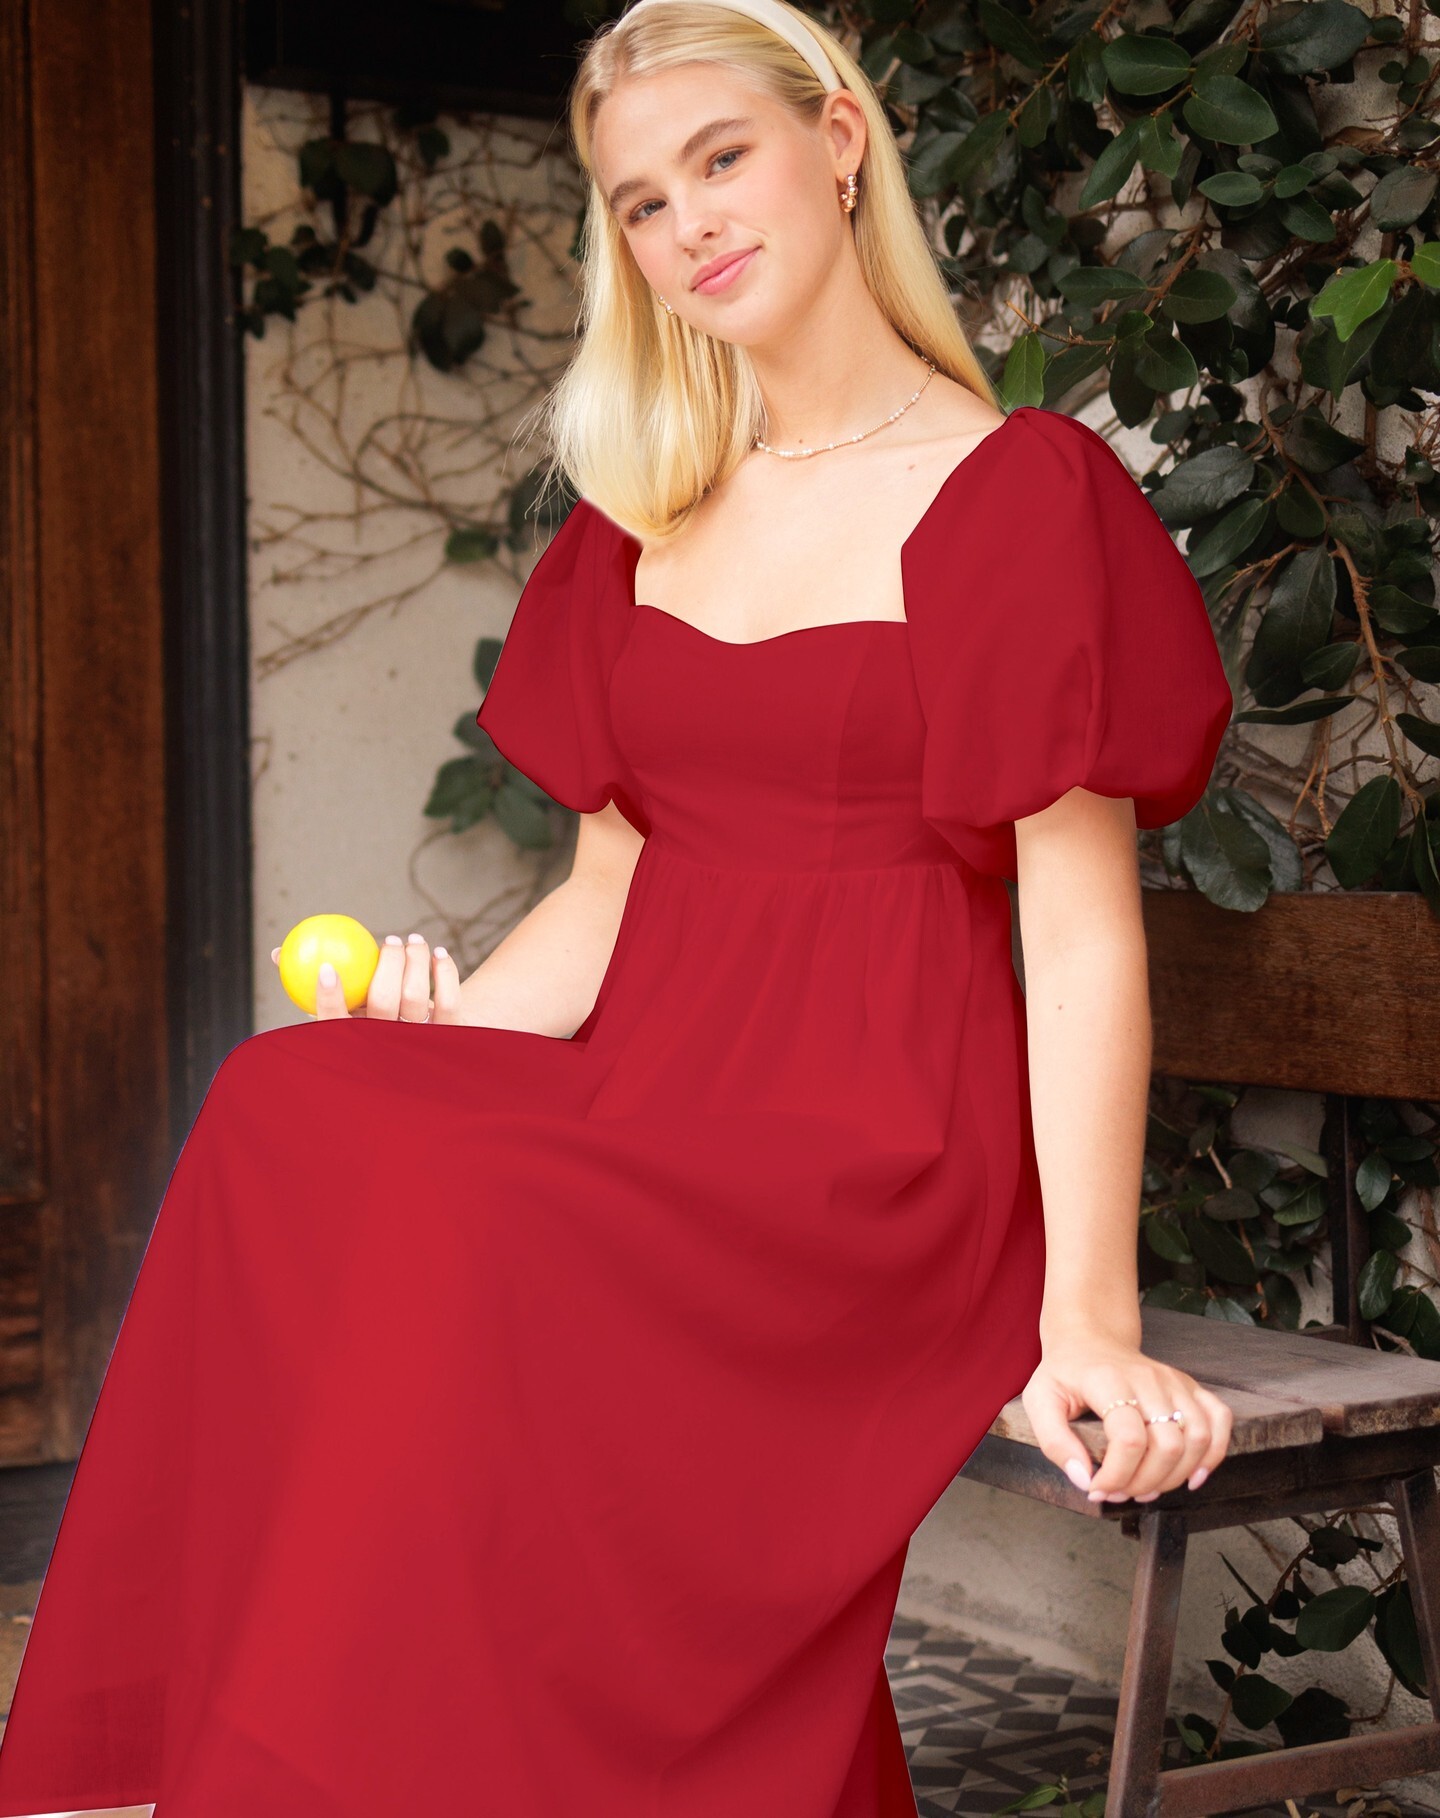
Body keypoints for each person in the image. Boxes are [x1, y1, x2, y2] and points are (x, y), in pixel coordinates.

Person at [0, 1, 1237, 1813]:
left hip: (880, 1138)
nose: (689, 225)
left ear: (838, 141)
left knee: (466, 1217)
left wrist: (1089, 1320)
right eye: (642, 202)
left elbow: (1080, 931)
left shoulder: (1018, 491)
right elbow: (606, 896)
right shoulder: (649, 510)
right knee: (293, 1103)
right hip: (658, 1085)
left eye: (721, 160)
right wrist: (439, 1041)